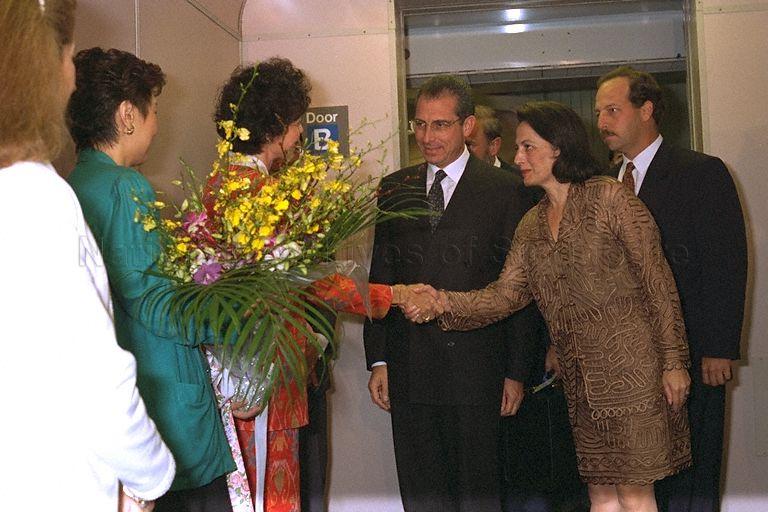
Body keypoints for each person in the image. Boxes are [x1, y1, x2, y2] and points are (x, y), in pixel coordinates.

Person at [412, 100, 693, 512]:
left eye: (527, 147)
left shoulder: (611, 199)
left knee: (635, 495)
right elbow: (504, 296)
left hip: (636, 376)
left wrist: (673, 361)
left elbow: (658, 281)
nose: (516, 157)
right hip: (581, 385)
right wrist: (440, 303)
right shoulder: (532, 225)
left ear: (558, 148)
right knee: (600, 496)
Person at [209, 58, 427, 512]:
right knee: (272, 493)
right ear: (275, 125)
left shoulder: (221, 184)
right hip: (264, 374)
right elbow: (310, 284)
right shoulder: (254, 194)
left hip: (237, 371)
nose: (298, 138)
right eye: (295, 126)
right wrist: (395, 295)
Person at [0, 2, 175, 511]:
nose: (72, 79)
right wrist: (151, 477)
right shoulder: (36, 195)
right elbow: (97, 379)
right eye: (67, 57)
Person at [66, 47, 235, 512]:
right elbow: (157, 303)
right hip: (164, 406)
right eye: (154, 111)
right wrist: (230, 313)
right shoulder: (127, 187)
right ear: (127, 115)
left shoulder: (71, 186)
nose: (157, 125)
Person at [364, 75, 537, 512]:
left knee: (479, 494)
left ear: (468, 126)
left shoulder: (508, 190)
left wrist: (516, 370)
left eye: (440, 125)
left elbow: (520, 288)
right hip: (409, 368)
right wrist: (379, 359)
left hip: (478, 370)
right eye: (419, 125)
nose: (427, 136)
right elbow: (379, 276)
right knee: (422, 495)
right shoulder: (394, 187)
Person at [595, 66, 747, 512]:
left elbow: (725, 262)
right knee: (643, 477)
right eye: (598, 111)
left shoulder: (700, 172)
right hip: (626, 362)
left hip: (695, 348)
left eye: (612, 110)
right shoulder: (602, 186)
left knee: (692, 472)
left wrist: (719, 346)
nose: (602, 121)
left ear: (647, 110)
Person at [467, 105, 544, 204]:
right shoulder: (448, 183)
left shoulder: (524, 187)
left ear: (493, 146)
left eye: (469, 145)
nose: (461, 152)